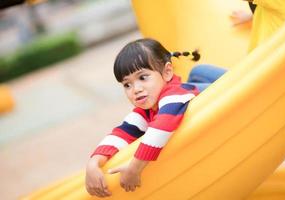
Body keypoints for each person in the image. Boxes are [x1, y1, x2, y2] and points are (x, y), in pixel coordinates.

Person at [85, 38, 226, 197]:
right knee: (196, 74)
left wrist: (135, 167)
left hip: (223, 93)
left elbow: (161, 128)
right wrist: (94, 162)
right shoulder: (146, 108)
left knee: (200, 72)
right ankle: (195, 78)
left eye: (143, 78)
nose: (136, 89)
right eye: (127, 85)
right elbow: (122, 133)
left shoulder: (173, 96)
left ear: (167, 72)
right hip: (191, 87)